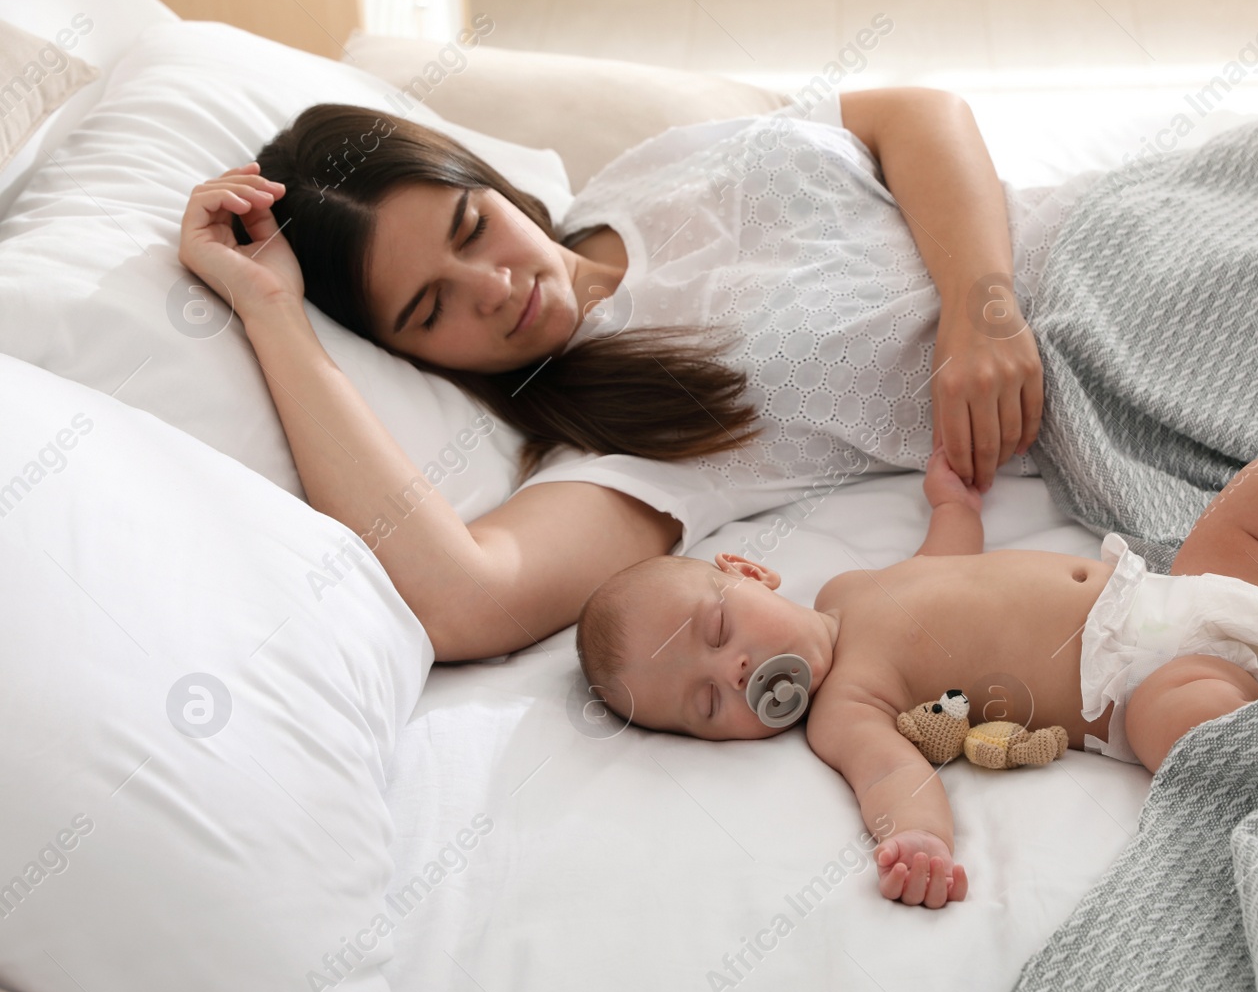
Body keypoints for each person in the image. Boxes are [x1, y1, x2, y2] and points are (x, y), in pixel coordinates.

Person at [177, 86, 1066, 663]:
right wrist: (273, 315)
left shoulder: (632, 181)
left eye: (470, 225)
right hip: (1106, 380)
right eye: (429, 309)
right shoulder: (630, 441)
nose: (494, 286)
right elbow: (463, 599)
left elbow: (909, 112)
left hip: (1107, 228)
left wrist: (982, 307)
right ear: (409, 356)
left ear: (489, 184)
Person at [571, 450, 1258, 908]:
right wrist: (918, 848)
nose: (736, 671)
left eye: (719, 631)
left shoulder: (852, 584)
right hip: (1143, 674)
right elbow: (895, 780)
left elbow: (948, 557)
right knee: (1180, 730)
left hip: (1186, 590)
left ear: (749, 573)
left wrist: (951, 499)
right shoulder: (843, 706)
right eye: (705, 703)